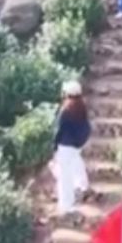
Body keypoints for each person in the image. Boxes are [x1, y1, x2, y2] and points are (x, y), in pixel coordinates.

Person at [51, 80, 91, 216]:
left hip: (64, 147)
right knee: (72, 171)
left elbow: (58, 130)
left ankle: (66, 205)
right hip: (75, 147)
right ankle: (78, 191)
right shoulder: (81, 108)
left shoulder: (65, 110)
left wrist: (54, 146)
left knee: (64, 177)